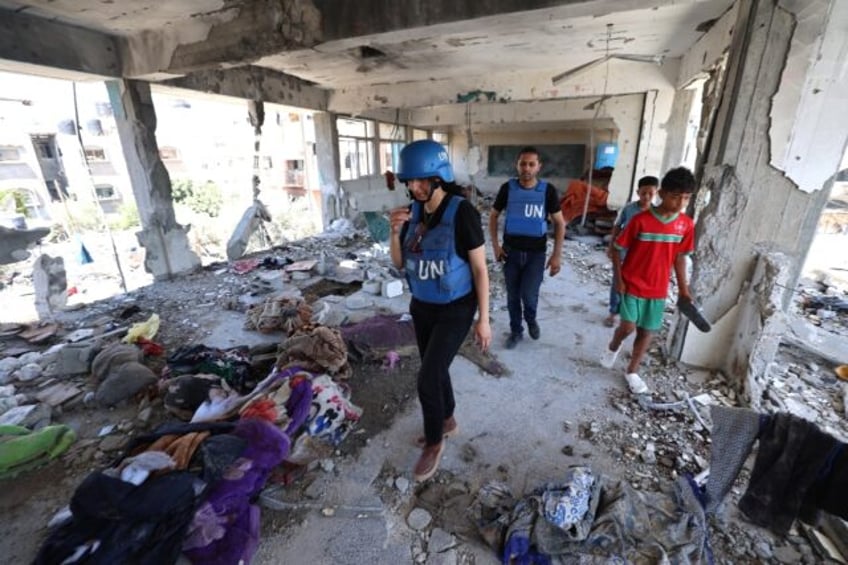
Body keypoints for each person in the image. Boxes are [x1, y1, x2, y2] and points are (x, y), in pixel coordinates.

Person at [389, 139, 492, 482]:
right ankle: (447, 419)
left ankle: (434, 442)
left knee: (427, 377)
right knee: (436, 367)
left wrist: (484, 320)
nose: (414, 187)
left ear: (438, 177)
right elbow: (400, 263)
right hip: (422, 306)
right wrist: (394, 232)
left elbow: (480, 270)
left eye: (421, 180)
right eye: (410, 181)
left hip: (456, 308)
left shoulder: (462, 213)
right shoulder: (413, 213)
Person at [600, 166, 697, 395]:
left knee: (646, 332)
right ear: (662, 194)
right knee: (627, 327)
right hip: (632, 283)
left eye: (686, 198)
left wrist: (684, 290)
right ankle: (614, 345)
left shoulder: (685, 225)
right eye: (676, 197)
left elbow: (680, 259)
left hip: (658, 289)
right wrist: (619, 279)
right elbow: (617, 249)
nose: (680, 203)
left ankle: (632, 371)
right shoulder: (640, 220)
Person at [489, 146, 565, 349]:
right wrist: (496, 246)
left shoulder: (547, 191)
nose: (526, 168)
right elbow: (494, 215)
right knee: (513, 297)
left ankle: (531, 319)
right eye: (523, 163)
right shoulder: (508, 188)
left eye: (531, 164)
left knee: (529, 296)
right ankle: (516, 331)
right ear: (517, 165)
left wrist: (557, 255)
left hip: (535, 255)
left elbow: (560, 222)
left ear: (538, 167)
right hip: (510, 252)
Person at [604, 176, 659, 327]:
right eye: (643, 193)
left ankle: (629, 313)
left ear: (656, 193)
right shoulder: (629, 209)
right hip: (623, 252)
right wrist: (611, 247)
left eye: (650, 193)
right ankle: (613, 312)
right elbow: (617, 227)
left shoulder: (656, 213)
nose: (647, 196)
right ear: (638, 192)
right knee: (618, 282)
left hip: (643, 256)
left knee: (636, 285)